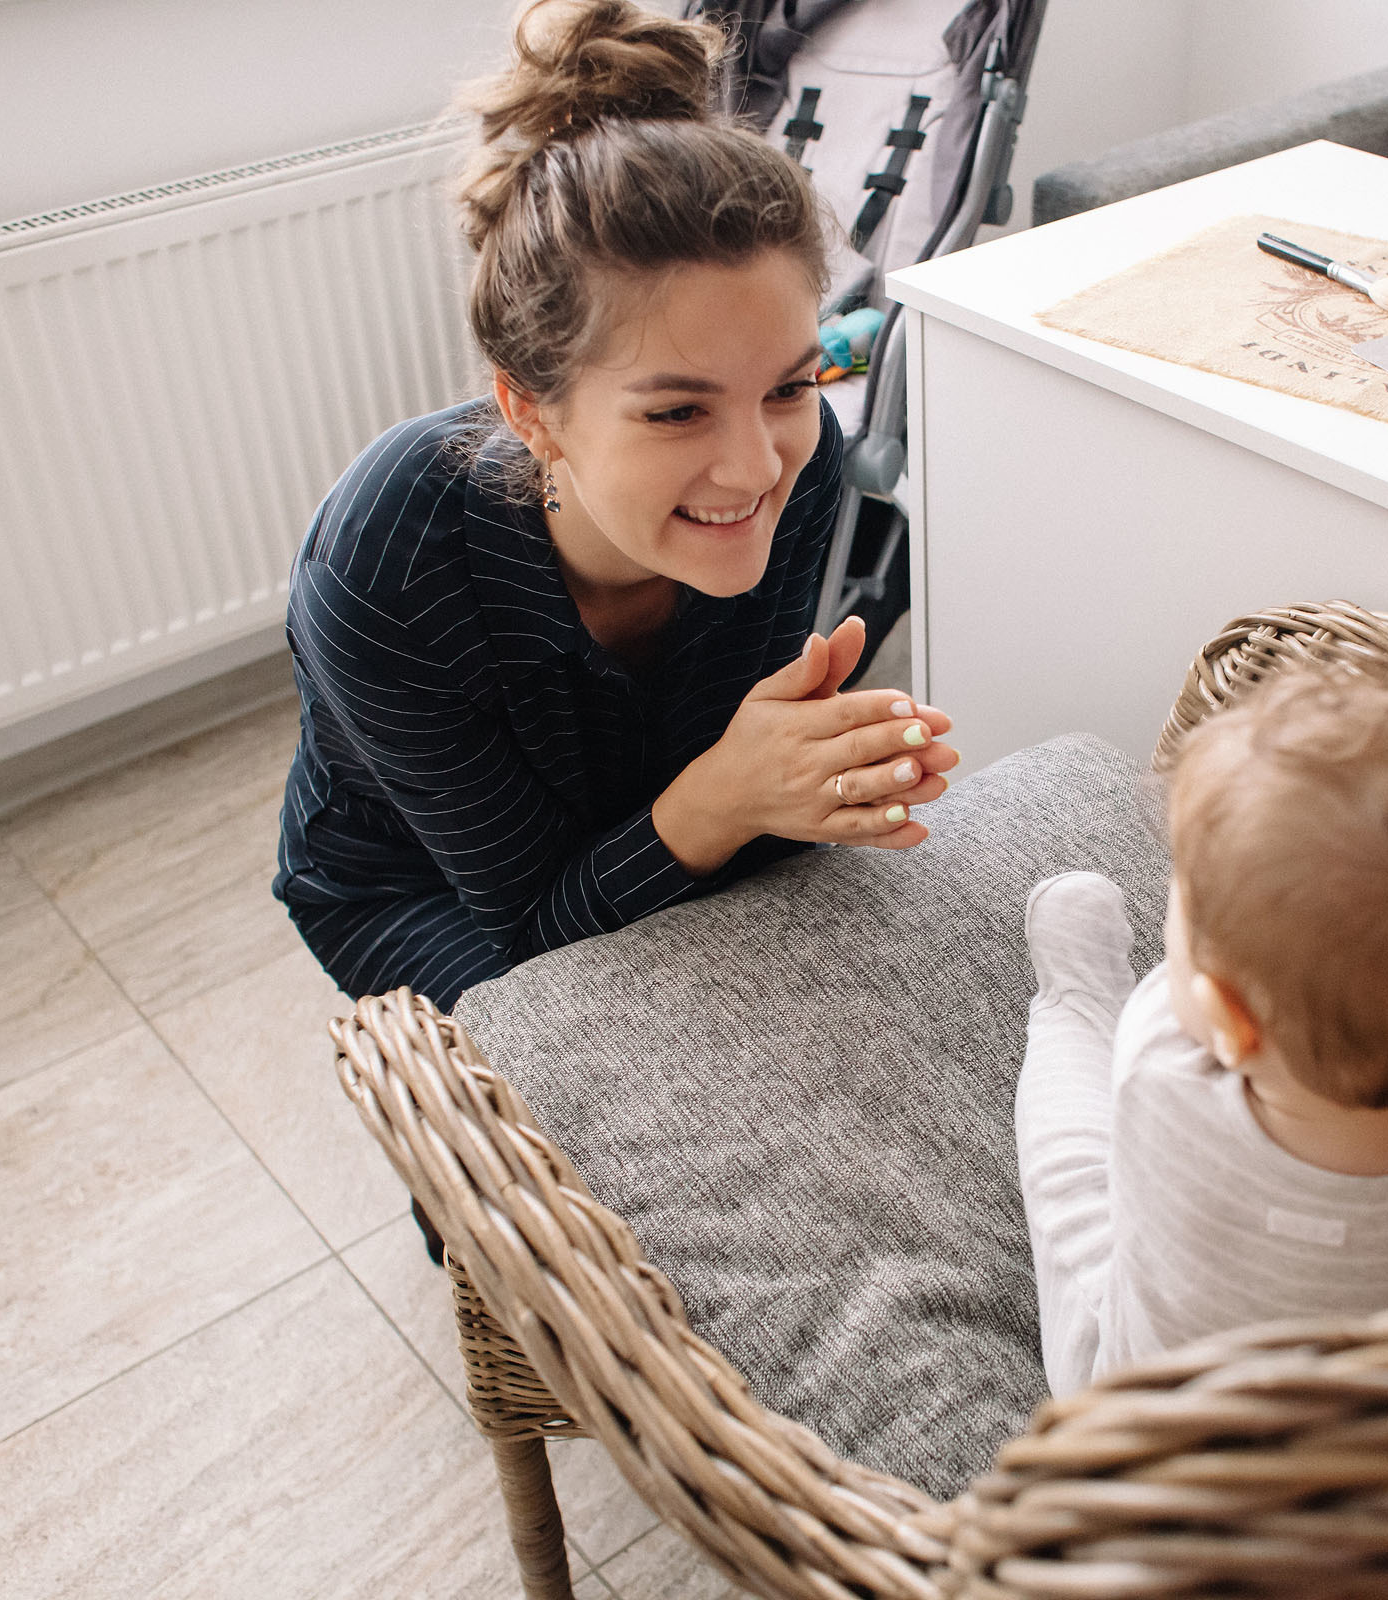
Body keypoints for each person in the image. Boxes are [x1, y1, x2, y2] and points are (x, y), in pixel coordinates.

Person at [273, 0, 960, 1255]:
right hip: (430, 881)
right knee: (583, 1189)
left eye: (791, 383)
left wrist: (819, 777)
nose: (757, 463)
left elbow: (724, 762)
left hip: (656, 806)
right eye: (675, 412)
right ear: (532, 411)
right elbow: (530, 924)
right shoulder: (388, 562)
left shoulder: (807, 469)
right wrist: (731, 795)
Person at [1015, 670, 1388, 1394]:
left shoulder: (1161, 1071)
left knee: (1071, 1179)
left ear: (1228, 1024)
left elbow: (1176, 1015)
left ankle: (1072, 994)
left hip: (1154, 1422)